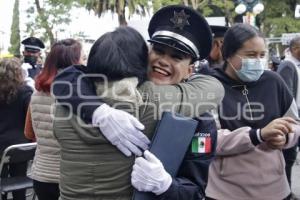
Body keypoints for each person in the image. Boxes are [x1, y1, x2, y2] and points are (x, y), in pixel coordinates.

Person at [52, 5, 224, 200]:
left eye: (176, 57)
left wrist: (166, 186)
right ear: (145, 55)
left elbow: (195, 191)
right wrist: (99, 111)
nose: (163, 61)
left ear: (190, 71)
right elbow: (73, 75)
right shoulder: (96, 89)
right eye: (158, 50)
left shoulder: (198, 117)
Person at [205, 23, 300, 200]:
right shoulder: (209, 85)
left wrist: (286, 136)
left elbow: (295, 123)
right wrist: (257, 135)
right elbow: (207, 140)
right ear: (228, 54)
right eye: (250, 55)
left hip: (274, 188)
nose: (257, 61)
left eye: (262, 55)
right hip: (225, 191)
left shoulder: (274, 81)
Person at [24, 39, 85, 200]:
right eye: (82, 58)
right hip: (71, 177)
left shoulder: (36, 94)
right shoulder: (81, 95)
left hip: (41, 175)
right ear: (75, 62)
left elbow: (29, 133)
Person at [0, 58, 33, 200]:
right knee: (19, 181)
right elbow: (30, 118)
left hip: (1, 145)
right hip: (21, 147)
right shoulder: (25, 91)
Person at [277, 36, 300, 200]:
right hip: (293, 119)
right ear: (295, 48)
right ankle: (286, 192)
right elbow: (286, 97)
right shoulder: (288, 65)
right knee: (288, 157)